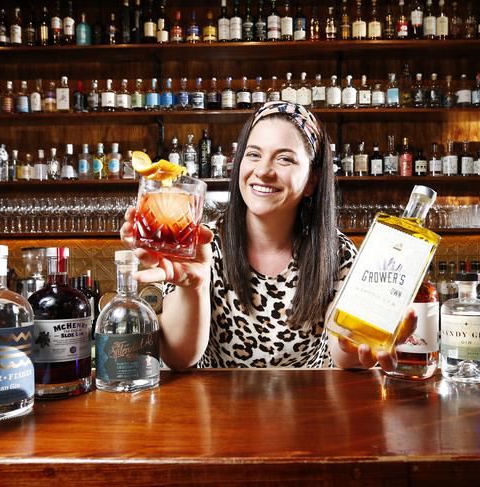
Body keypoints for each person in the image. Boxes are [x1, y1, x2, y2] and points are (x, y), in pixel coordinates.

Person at [121, 101, 416, 370]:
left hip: (308, 418)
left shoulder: (336, 252)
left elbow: (343, 353)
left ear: (312, 180)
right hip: (219, 417)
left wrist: (360, 340)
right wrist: (193, 287)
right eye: (253, 154)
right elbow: (179, 359)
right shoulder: (206, 244)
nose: (263, 170)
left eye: (284, 159)